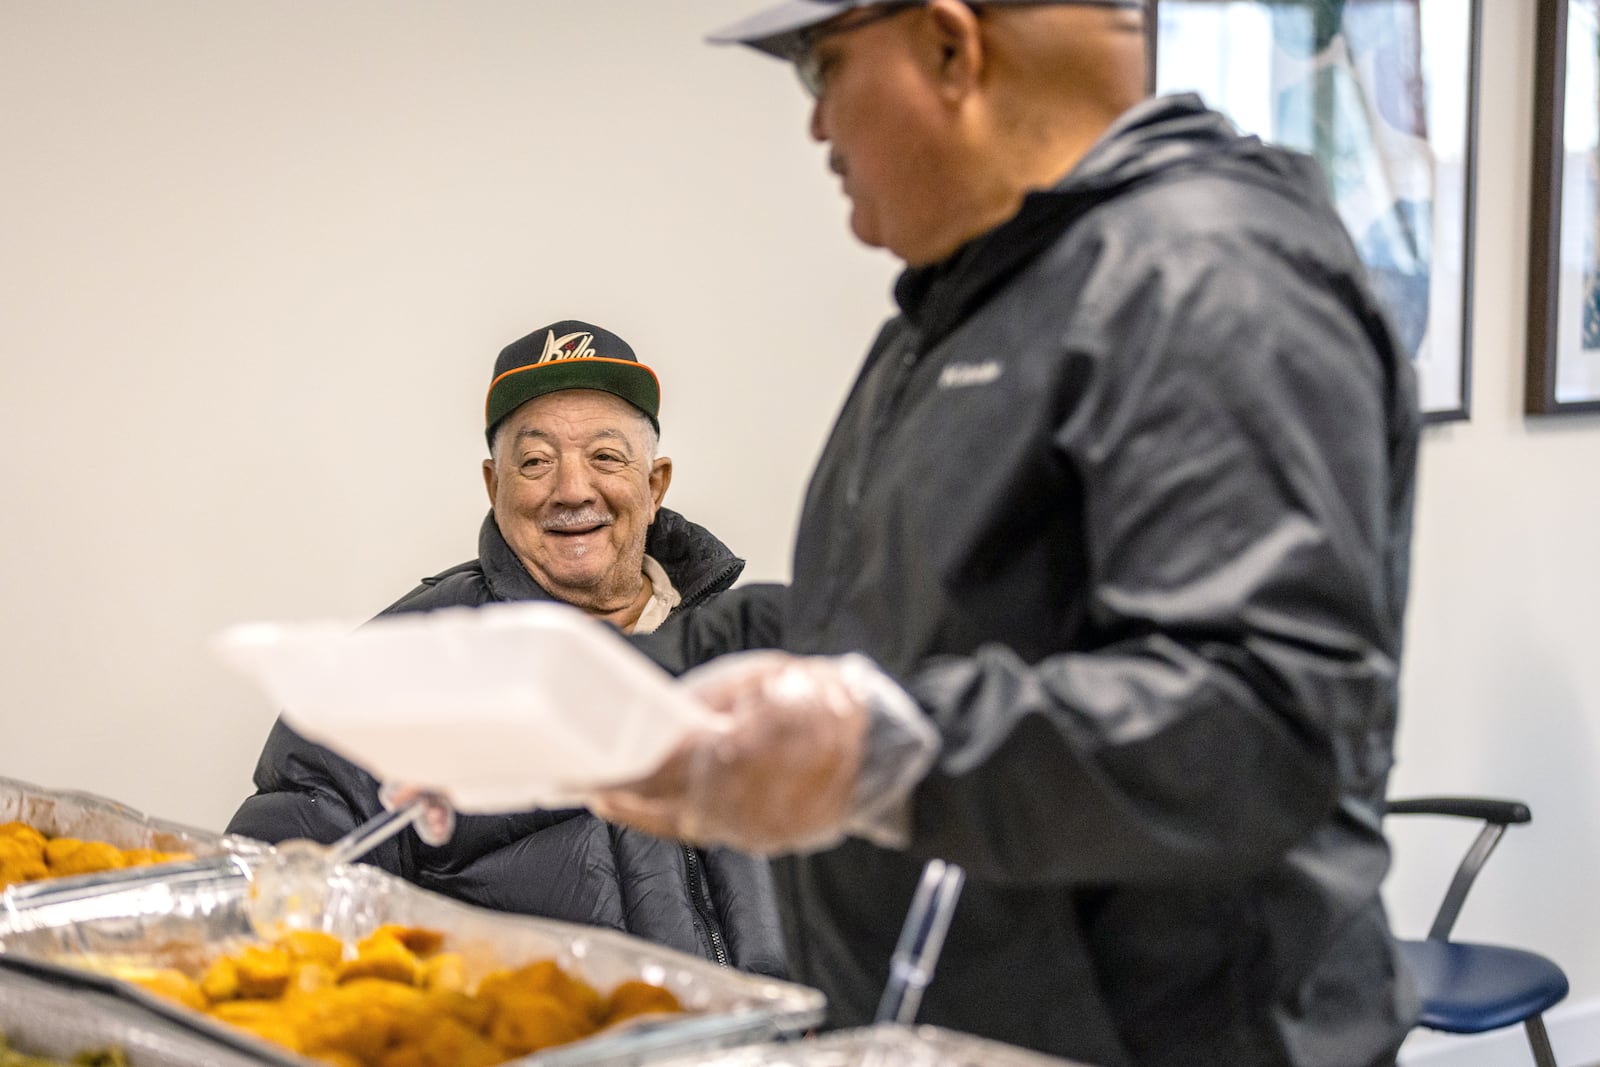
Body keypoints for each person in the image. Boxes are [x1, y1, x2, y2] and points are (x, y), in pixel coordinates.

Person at [590, 3, 1422, 1065]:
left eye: (824, 69)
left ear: (951, 46)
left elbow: (1262, 717)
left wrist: (877, 745)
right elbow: (924, 652)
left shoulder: (1205, 276)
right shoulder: (947, 321)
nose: (816, 129)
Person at [227, 319, 786, 978]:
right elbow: (269, 905)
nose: (573, 489)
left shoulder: (757, 658)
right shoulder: (401, 667)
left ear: (655, 483)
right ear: (494, 486)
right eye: (536, 461)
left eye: (606, 457)